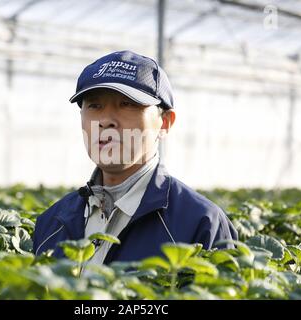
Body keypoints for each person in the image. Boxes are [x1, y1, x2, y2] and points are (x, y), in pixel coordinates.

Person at [33, 50, 237, 265]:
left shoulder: (202, 225)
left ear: (165, 122)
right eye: (94, 105)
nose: (106, 120)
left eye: (127, 104)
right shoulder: (50, 223)